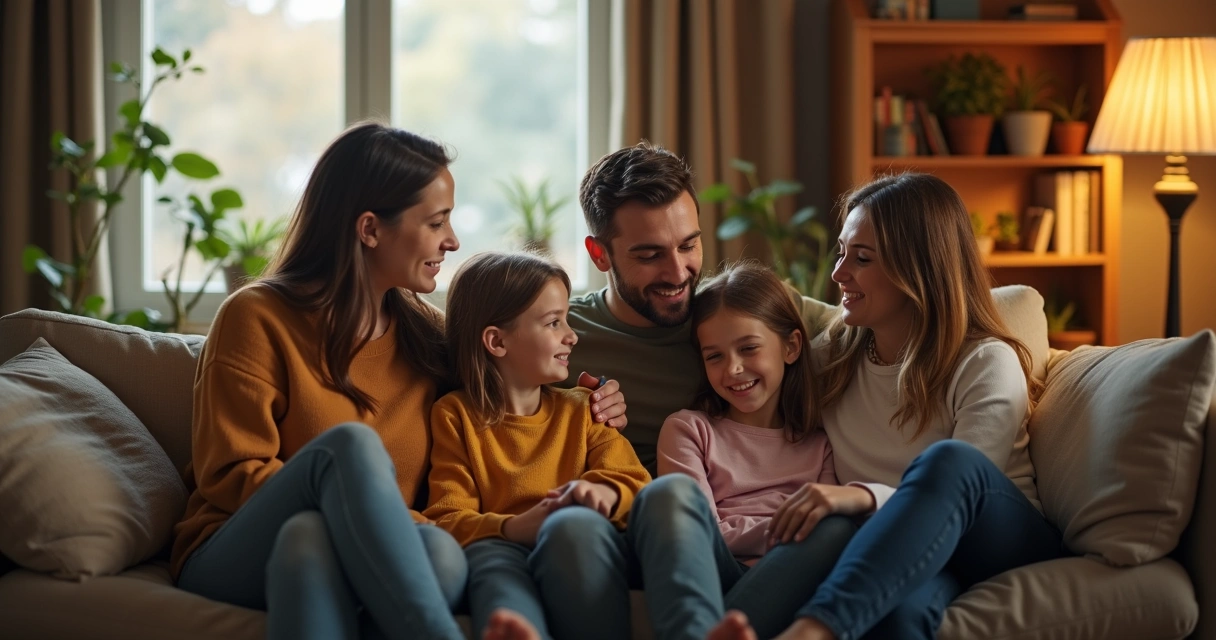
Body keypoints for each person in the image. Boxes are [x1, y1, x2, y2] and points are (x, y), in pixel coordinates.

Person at [170, 123, 627, 640]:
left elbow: (508, 389)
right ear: (370, 229)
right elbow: (230, 475)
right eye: (436, 223)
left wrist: (594, 398)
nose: (452, 241)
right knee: (345, 454)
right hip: (234, 544)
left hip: (368, 541)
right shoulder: (256, 317)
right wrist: (372, 514)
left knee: (318, 539)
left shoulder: (425, 333)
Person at [726, 172, 1059, 640]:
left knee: (946, 461)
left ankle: (812, 632)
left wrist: (861, 496)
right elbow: (745, 377)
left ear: (917, 269)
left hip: (994, 534)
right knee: (896, 617)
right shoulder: (833, 355)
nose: (838, 273)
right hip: (899, 547)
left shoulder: (984, 360)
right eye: (841, 252)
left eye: (861, 259)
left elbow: (960, 489)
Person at [566, 142, 834, 474]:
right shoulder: (558, 333)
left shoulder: (740, 310)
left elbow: (863, 328)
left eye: (688, 245)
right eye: (650, 255)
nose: (678, 273)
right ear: (599, 254)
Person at [425, 251, 651, 640]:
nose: (571, 335)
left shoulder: (583, 408)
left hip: (574, 539)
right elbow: (447, 518)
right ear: (496, 341)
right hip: (502, 544)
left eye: (566, 319)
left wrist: (599, 490)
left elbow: (638, 483)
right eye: (553, 323)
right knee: (490, 564)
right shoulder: (454, 415)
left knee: (574, 531)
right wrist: (514, 527)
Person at [627, 262, 858, 640]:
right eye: (714, 356)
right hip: (712, 572)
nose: (733, 369)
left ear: (791, 346)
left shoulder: (823, 441)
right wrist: (787, 526)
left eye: (748, 348)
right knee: (666, 495)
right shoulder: (689, 429)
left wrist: (802, 532)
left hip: (788, 578)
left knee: (834, 526)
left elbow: (825, 534)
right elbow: (700, 533)